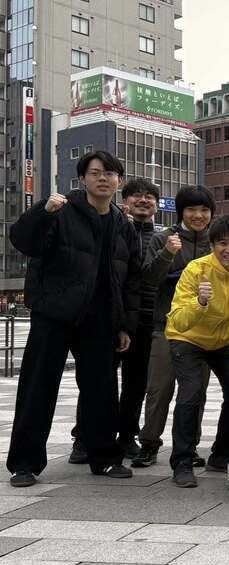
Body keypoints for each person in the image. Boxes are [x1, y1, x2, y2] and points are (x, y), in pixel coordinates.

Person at [7, 151, 140, 487]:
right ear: (83, 178)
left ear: (119, 181)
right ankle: (25, 464)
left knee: (102, 391)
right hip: (54, 313)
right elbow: (23, 241)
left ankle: (105, 458)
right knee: (38, 387)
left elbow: (131, 280)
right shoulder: (61, 211)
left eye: (111, 173)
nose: (104, 178)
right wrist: (43, 211)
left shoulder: (123, 224)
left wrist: (124, 324)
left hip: (101, 319)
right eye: (96, 173)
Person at [165, 215, 229, 488]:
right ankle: (182, 462)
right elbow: (178, 320)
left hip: (221, 340)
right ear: (212, 245)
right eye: (222, 243)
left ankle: (220, 454)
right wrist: (201, 301)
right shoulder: (195, 270)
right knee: (191, 393)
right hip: (187, 338)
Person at [133, 185, 216, 468]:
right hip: (165, 326)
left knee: (195, 393)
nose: (198, 215)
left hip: (203, 331)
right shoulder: (163, 238)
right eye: (192, 209)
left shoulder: (216, 242)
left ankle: (188, 446)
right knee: (159, 388)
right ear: (181, 211)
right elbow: (149, 279)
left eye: (204, 210)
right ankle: (149, 444)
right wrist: (167, 254)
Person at [112, 179, 162, 458]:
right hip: (114, 318)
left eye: (149, 197)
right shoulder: (116, 231)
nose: (143, 201)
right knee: (101, 381)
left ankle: (127, 435)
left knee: (136, 383)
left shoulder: (162, 238)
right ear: (126, 200)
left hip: (147, 320)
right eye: (136, 196)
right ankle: (84, 437)